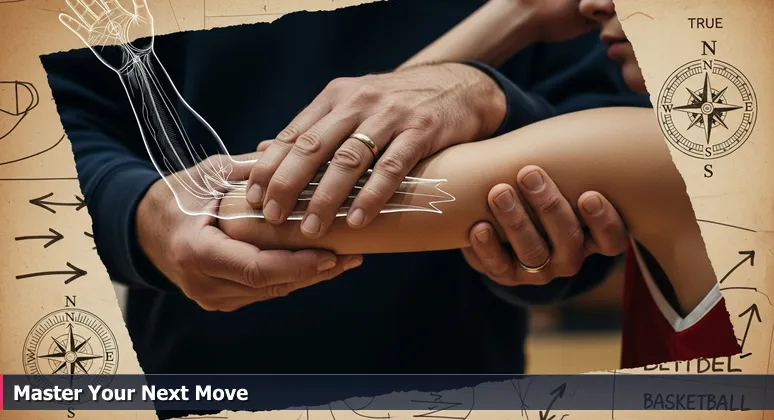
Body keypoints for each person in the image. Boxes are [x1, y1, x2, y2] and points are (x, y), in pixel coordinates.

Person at [45, 2, 648, 418]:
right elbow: (47, 114)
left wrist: (494, 72)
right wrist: (138, 213)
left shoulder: (648, 133)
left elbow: (257, 216)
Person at [236, 0, 740, 368]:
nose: (588, 4)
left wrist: (497, 49)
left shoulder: (667, 153)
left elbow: (256, 207)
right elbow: (361, 136)